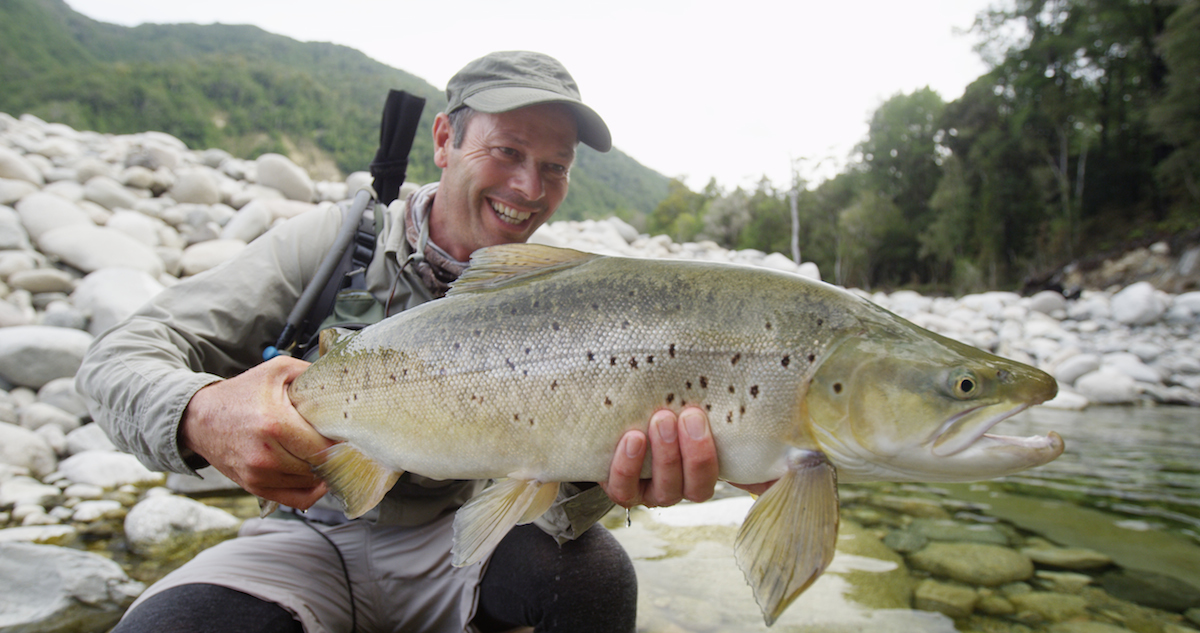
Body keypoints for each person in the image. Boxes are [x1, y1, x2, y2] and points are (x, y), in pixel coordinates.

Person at [77, 51, 754, 633]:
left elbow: (559, 493)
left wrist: (613, 478)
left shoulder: (572, 295)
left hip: (463, 537)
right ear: (443, 139)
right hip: (311, 533)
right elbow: (116, 357)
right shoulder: (334, 244)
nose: (529, 187)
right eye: (508, 152)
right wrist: (201, 413)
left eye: (555, 167)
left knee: (593, 576)